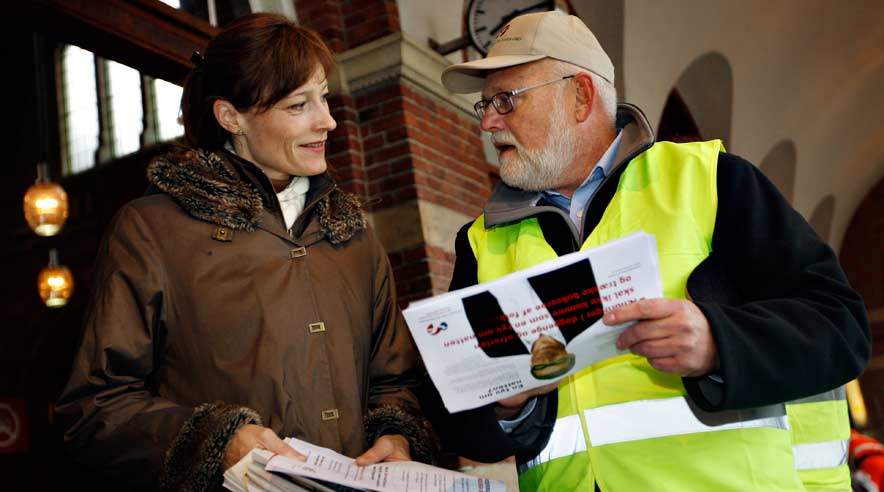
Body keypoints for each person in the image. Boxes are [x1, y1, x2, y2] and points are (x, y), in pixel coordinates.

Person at [423, 11, 870, 492]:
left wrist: (718, 343)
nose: (488, 121)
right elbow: (458, 422)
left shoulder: (712, 179)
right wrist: (506, 403)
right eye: (485, 104)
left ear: (580, 96)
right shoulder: (480, 241)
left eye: (506, 100)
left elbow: (840, 327)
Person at [55, 13, 435, 491]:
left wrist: (396, 435)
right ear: (231, 117)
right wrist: (219, 442)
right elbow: (96, 407)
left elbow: (393, 383)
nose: (328, 121)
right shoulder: (152, 229)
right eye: (299, 105)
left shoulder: (354, 237)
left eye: (324, 98)